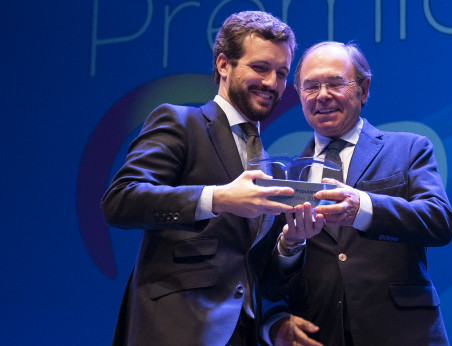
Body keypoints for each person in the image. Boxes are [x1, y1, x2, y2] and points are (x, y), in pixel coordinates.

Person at [101, 11, 322, 346]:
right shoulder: (180, 122)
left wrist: (292, 243)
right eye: (260, 68)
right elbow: (121, 200)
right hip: (175, 330)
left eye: (281, 73)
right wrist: (218, 198)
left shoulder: (271, 167)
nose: (271, 83)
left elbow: (263, 277)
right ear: (223, 64)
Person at [262, 41, 452, 346]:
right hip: (321, 335)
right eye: (311, 86)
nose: (322, 95)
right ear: (299, 95)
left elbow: (439, 221)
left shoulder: (408, 149)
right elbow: (269, 284)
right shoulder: (287, 176)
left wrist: (363, 207)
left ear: (364, 89)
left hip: (405, 334)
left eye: (335, 83)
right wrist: (290, 245)